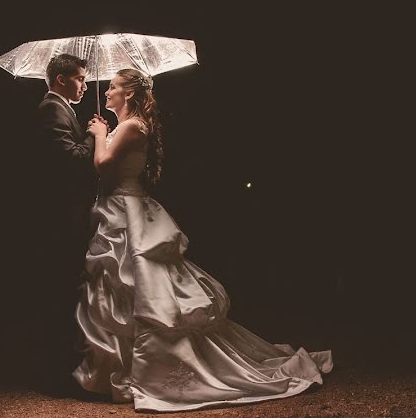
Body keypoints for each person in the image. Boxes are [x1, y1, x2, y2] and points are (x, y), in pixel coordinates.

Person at [74, 69, 333, 412]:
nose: (106, 92)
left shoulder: (132, 126)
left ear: (130, 94)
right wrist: (106, 132)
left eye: (114, 87)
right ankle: (119, 368)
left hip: (128, 213)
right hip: (119, 210)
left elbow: (105, 167)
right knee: (120, 290)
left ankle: (152, 370)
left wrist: (99, 134)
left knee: (142, 288)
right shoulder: (127, 125)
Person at [32, 53, 107, 393]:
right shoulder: (51, 109)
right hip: (60, 220)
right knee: (60, 293)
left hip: (69, 217)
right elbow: (72, 161)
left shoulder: (62, 109)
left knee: (67, 292)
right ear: (61, 79)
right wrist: (95, 135)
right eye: (79, 78)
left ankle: (64, 370)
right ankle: (55, 376)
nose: (84, 85)